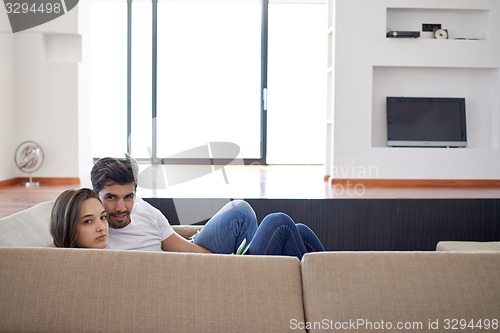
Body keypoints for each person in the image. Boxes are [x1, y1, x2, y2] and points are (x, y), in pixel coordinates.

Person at [90, 155, 325, 259]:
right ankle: (322, 288)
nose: (121, 207)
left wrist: (226, 263)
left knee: (293, 228)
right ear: (95, 196)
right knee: (280, 223)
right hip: (186, 274)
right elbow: (58, 239)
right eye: (111, 198)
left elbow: (185, 249)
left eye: (128, 197)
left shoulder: (144, 210)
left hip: (193, 256)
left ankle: (319, 289)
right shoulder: (93, 232)